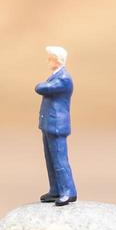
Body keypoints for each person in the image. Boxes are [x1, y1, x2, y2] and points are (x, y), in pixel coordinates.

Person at [36, 46, 76, 206]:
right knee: (50, 159)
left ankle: (68, 190)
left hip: (57, 125)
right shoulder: (55, 76)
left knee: (59, 160)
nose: (48, 61)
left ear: (58, 60)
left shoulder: (64, 78)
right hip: (48, 124)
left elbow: (42, 88)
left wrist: (40, 84)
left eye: (50, 58)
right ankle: (55, 189)